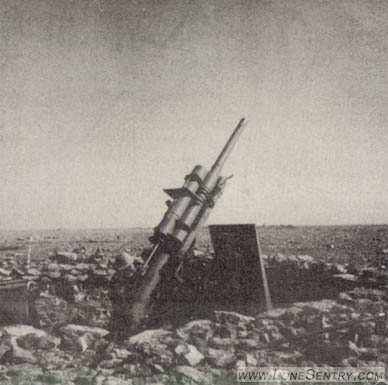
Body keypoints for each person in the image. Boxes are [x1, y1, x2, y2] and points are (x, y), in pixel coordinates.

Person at [108, 251, 143, 341]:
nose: (132, 269)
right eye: (127, 269)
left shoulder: (139, 274)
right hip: (123, 307)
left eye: (131, 266)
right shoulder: (116, 279)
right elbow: (115, 297)